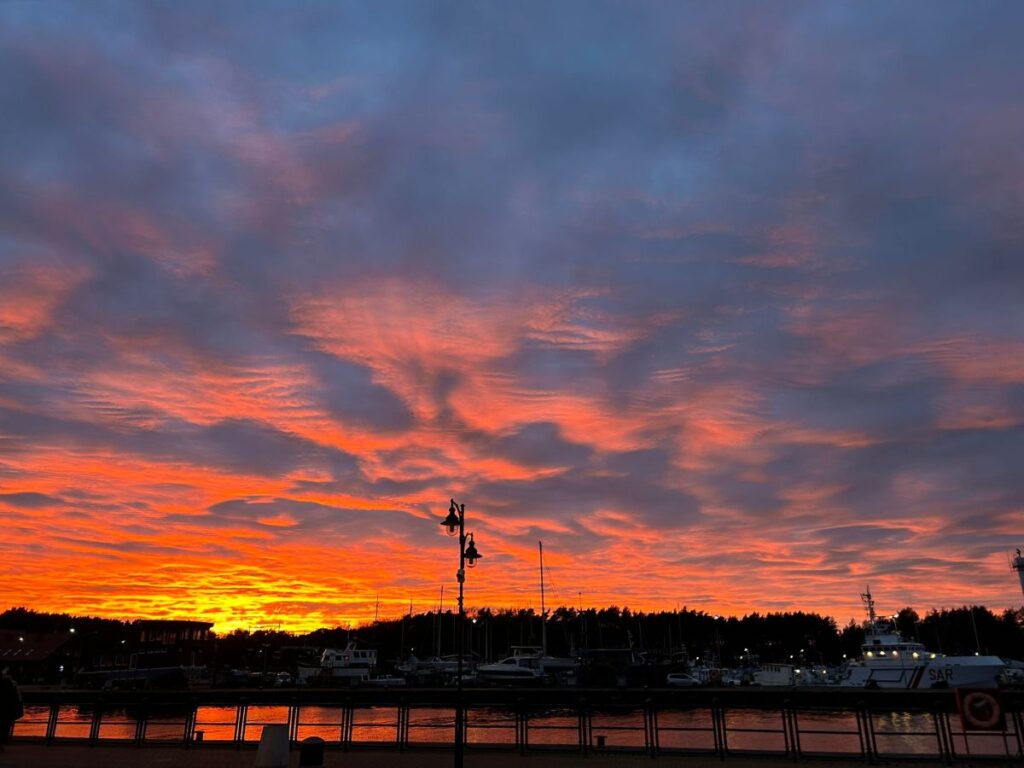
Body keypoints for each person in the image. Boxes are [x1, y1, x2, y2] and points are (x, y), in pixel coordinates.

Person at [0, 667, 23, 751]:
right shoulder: (10, 683)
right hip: (7, 709)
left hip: (5, 708)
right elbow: (16, 697)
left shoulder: (8, 683)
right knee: (5, 726)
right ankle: (2, 743)